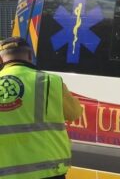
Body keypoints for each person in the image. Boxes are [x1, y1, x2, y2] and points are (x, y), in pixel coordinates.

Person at [0, 36, 82, 179]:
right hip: (49, 170)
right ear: (30, 56)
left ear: (1, 60)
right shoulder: (51, 82)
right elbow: (74, 113)